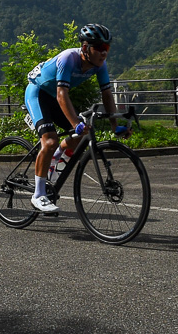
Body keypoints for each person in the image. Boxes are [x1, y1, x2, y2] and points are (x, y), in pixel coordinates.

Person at [24, 23, 129, 214]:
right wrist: (75, 123)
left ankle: (53, 162)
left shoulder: (100, 65)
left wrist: (115, 125)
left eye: (107, 48)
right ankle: (38, 195)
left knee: (83, 133)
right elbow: (62, 94)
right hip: (38, 93)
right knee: (50, 140)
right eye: (98, 47)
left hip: (55, 97)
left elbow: (107, 95)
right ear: (85, 48)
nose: (103, 53)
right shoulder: (68, 58)